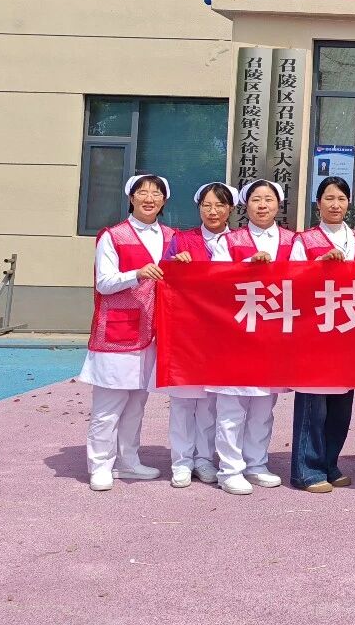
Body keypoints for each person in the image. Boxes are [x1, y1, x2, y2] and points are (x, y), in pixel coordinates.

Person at [81, 173, 175, 492]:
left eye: (156, 193)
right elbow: (104, 283)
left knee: (136, 403)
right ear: (131, 198)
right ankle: (100, 465)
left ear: (164, 200)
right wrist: (136, 273)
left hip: (154, 332)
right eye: (142, 192)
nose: (149, 198)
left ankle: (128, 460)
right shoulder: (113, 236)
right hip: (118, 332)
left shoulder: (172, 237)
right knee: (108, 406)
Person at [210, 179, 303, 495]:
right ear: (245, 205)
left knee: (264, 406)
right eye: (256, 200)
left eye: (268, 199)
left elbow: (303, 278)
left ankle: (256, 463)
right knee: (232, 406)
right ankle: (229, 469)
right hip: (235, 333)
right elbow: (214, 280)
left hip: (273, 334)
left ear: (279, 204)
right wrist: (248, 264)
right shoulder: (230, 241)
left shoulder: (292, 241)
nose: (262, 205)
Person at [289, 177, 355, 493]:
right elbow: (291, 279)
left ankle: (330, 463)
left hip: (349, 330)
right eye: (329, 198)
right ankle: (306, 469)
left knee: (340, 405)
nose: (335, 205)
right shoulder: (304, 241)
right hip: (315, 332)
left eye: (341, 199)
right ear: (318, 203)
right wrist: (318, 265)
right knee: (313, 404)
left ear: (349, 203)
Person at [159, 181, 237, 489]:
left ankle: (204, 459)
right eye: (207, 205)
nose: (213, 211)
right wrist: (174, 264)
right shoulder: (182, 240)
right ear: (199, 208)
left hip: (222, 334)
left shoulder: (239, 241)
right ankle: (181, 461)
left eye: (219, 205)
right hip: (187, 333)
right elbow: (162, 276)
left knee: (210, 403)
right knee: (183, 400)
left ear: (231, 209)